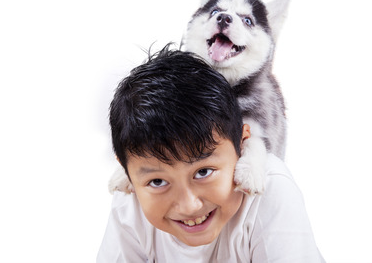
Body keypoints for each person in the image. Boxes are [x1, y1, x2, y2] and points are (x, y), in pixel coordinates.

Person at [97, 46, 325, 262]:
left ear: (243, 145)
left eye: (203, 172)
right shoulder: (129, 202)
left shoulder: (270, 188)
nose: (189, 206)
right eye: (157, 181)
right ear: (127, 173)